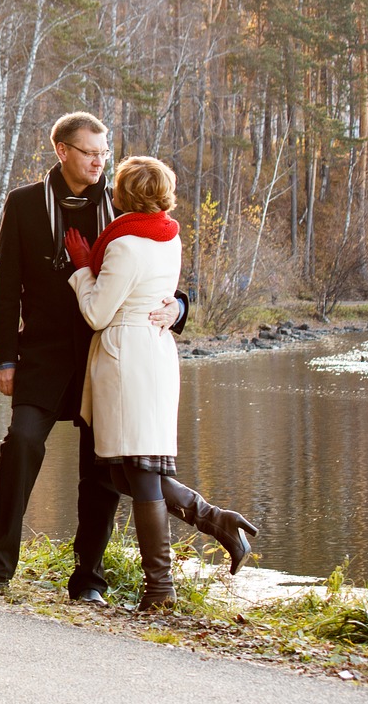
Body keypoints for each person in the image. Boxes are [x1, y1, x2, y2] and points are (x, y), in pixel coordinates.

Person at [0, 112, 248, 604]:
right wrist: (3, 359)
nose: (99, 160)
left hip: (105, 359)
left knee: (100, 472)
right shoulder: (25, 204)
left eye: (103, 152)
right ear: (62, 151)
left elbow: (163, 276)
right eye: (89, 152)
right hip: (44, 357)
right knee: (22, 445)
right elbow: (6, 290)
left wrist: (179, 307)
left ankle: (88, 580)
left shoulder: (121, 207)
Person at [64, 157, 257, 609]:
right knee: (117, 471)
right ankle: (217, 521)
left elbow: (96, 313)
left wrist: (82, 271)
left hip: (127, 356)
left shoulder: (125, 244)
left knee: (140, 474)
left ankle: (160, 589)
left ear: (122, 195)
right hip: (152, 354)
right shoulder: (169, 237)